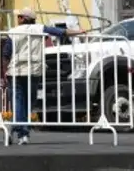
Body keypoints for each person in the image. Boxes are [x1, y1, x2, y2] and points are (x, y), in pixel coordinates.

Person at [5, 8, 85, 145]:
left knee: (18, 102)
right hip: (33, 70)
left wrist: (5, 70)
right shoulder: (40, 28)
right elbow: (60, 32)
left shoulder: (12, 32)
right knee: (29, 102)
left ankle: (19, 129)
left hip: (15, 71)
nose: (17, 19)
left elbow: (6, 53)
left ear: (23, 18)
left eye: (19, 16)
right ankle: (22, 132)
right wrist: (79, 32)